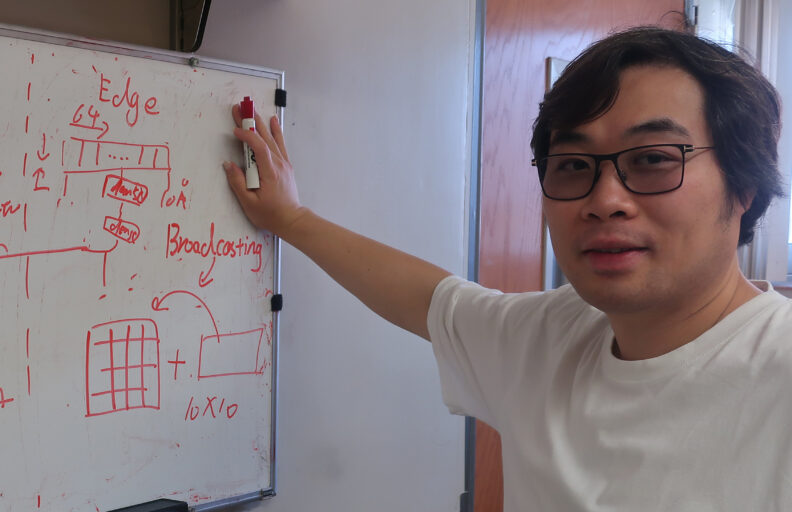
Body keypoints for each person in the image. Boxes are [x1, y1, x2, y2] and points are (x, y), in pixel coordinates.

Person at [223, 27, 792, 510]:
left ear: (743, 186)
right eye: (572, 164)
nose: (605, 199)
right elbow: (428, 299)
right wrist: (290, 219)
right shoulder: (548, 339)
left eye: (651, 159)